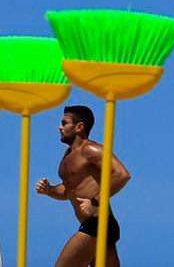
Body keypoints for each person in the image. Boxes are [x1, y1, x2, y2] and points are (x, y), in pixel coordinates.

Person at [35, 105, 131, 267]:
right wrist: (50, 190)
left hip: (98, 223)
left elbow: (122, 174)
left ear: (79, 127)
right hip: (96, 226)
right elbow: (67, 191)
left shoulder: (91, 149)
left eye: (64, 123)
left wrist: (95, 200)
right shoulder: (67, 156)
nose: (59, 127)